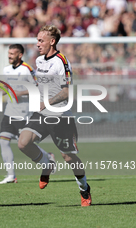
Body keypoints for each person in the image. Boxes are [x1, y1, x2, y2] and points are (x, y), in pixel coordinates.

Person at [17, 25, 92, 207]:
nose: (37, 44)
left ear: (52, 41)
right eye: (37, 40)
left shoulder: (61, 62)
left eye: (41, 41)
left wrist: (48, 102)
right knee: (23, 142)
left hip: (60, 116)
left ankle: (84, 188)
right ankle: (47, 162)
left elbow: (67, 92)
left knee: (68, 157)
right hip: (42, 113)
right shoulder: (40, 60)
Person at [0, 44, 36, 184]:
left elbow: (37, 87)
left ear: (20, 55)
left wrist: (20, 93)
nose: (9, 56)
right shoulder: (7, 69)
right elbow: (7, 87)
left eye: (12, 53)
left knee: (26, 145)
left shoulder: (27, 69)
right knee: (3, 141)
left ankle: (48, 157)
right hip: (10, 111)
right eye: (8, 53)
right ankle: (11, 175)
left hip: (24, 111)